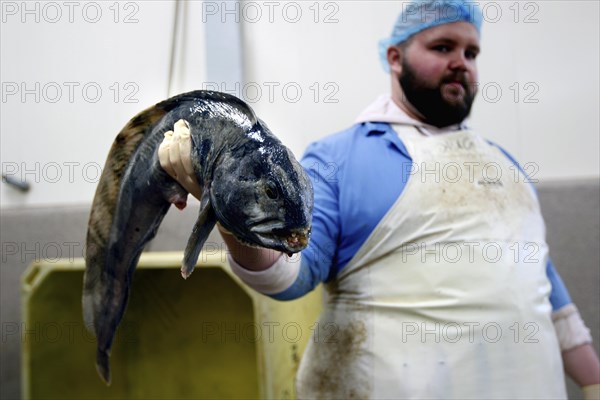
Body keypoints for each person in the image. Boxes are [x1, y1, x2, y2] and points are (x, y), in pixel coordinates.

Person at [160, 1, 600, 398]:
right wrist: (234, 210)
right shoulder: (339, 160)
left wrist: (591, 379)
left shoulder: (504, 164)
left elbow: (546, 289)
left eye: (471, 53)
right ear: (395, 56)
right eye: (443, 47)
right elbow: (286, 276)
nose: (461, 63)